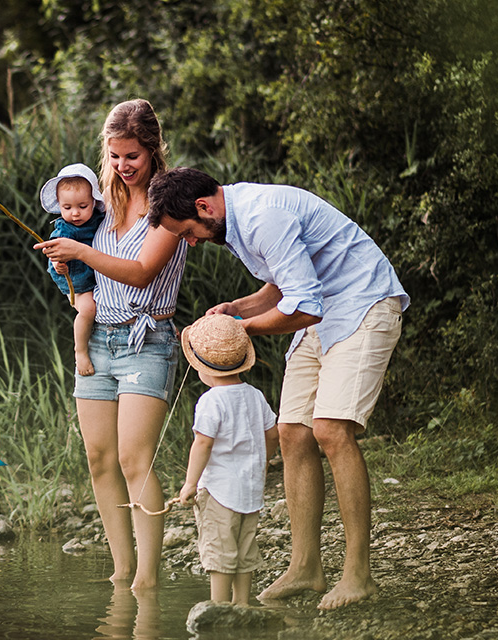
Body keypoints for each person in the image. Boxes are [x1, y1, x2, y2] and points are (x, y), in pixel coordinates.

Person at [146, 167, 408, 610]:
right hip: (324, 312)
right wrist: (235, 307)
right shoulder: (232, 222)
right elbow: (282, 285)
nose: (189, 242)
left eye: (188, 232)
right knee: (292, 431)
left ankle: (358, 574)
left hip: (363, 303)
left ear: (204, 207)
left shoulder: (264, 216)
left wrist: (241, 328)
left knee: (330, 429)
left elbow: (303, 306)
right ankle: (306, 567)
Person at [34, 99, 188, 591]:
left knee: (133, 459)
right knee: (100, 459)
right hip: (98, 340)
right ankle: (122, 572)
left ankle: (147, 578)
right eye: (116, 156)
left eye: (133, 157)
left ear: (153, 151)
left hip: (148, 338)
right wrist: (67, 268)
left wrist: (82, 251)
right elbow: (87, 276)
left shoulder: (168, 207)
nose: (123, 167)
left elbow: (142, 275)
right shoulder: (105, 205)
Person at [176, 313, 279, 606]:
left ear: (201, 367)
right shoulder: (255, 395)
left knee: (220, 551)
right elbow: (273, 434)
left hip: (219, 492)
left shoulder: (210, 401)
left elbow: (203, 443)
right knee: (245, 549)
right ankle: (243, 604)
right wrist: (262, 461)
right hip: (251, 490)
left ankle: (218, 608)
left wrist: (189, 484)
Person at [39, 163, 107, 376]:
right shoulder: (64, 229)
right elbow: (54, 252)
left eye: (82, 206)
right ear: (59, 205)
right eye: (67, 208)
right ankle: (80, 351)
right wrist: (59, 265)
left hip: (99, 276)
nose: (75, 213)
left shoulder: (99, 219)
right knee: (88, 309)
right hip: (77, 281)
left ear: (94, 202)